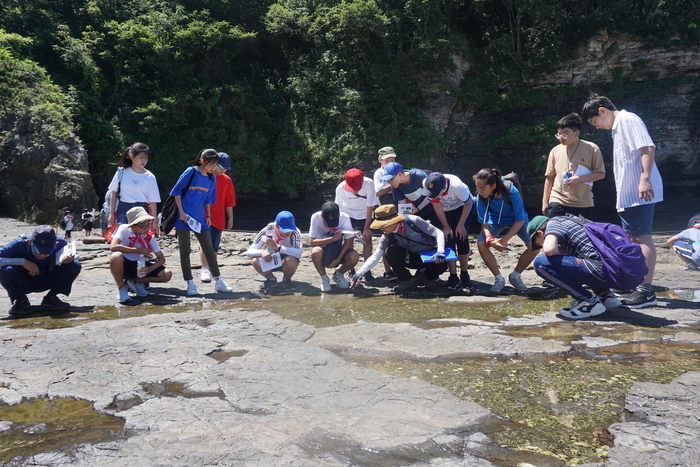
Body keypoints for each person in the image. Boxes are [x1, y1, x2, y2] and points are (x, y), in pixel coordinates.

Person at [581, 94, 664, 308]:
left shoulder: (628, 120)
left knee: (643, 238)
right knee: (631, 238)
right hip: (628, 195)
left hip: (639, 193)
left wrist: (645, 179)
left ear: (602, 110)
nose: (597, 127)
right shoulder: (617, 128)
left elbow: (648, 148)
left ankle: (646, 291)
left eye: (594, 122)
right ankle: (634, 282)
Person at [529, 215, 623, 319]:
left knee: (540, 262)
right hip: (620, 273)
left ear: (540, 233)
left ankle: (588, 302)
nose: (541, 246)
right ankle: (606, 296)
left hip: (602, 271)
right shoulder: (571, 220)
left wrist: (555, 251)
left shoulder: (553, 223)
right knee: (581, 259)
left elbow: (549, 250)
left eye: (538, 243)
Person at [171, 149, 232, 296]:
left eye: (215, 165)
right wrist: (181, 213)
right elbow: (176, 192)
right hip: (183, 218)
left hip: (200, 218)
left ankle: (217, 280)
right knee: (185, 251)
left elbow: (208, 200)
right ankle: (190, 283)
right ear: (202, 161)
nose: (213, 168)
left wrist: (208, 216)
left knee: (209, 249)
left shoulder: (212, 179)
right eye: (211, 165)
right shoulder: (191, 172)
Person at [350, 204, 447, 293]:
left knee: (442, 265)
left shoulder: (414, 221)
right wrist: (359, 273)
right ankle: (406, 281)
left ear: (393, 222)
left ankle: (428, 278)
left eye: (382, 226)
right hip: (410, 258)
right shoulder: (387, 236)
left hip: (429, 257)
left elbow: (438, 233)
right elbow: (375, 256)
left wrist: (440, 252)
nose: (381, 229)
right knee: (390, 252)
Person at [473, 168, 539, 293]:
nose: (479, 191)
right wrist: (490, 240)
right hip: (495, 220)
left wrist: (504, 240)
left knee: (534, 245)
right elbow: (484, 222)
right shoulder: (480, 197)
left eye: (482, 188)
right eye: (478, 188)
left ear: (493, 186)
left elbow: (519, 220)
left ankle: (515, 276)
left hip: (517, 220)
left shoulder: (511, 192)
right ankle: (499, 279)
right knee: (481, 244)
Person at [0, 225, 80, 315]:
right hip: (25, 282)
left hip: (47, 279)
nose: (41, 254)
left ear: (55, 244)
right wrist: (22, 262)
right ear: (29, 242)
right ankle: (21, 300)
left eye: (46, 251)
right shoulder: (19, 243)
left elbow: (76, 255)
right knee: (6, 270)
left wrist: (69, 259)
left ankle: (51, 298)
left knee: (75, 265)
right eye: (37, 250)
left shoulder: (60, 242)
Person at [542, 113, 605, 219]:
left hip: (583, 203)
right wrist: (545, 201)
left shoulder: (592, 148)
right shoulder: (555, 150)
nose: (561, 137)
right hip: (557, 200)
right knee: (554, 233)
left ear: (577, 133)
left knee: (580, 235)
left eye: (565, 133)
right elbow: (549, 177)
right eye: (559, 134)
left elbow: (600, 174)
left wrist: (578, 179)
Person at [421, 172, 475, 292]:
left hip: (463, 207)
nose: (433, 195)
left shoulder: (457, 187)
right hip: (446, 211)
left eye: (436, 193)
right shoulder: (428, 184)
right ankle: (453, 275)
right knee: (448, 239)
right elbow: (437, 206)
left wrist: (461, 225)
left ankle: (464, 274)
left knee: (461, 237)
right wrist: (445, 227)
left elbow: (469, 203)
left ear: (444, 188)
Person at [109, 207, 173, 303]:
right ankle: (122, 288)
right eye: (143, 226)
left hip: (141, 265)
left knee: (167, 274)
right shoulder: (124, 229)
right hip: (125, 264)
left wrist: (149, 269)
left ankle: (136, 281)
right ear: (132, 226)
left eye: (148, 225)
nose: (147, 228)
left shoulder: (149, 236)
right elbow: (113, 246)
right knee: (115, 256)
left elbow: (161, 259)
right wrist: (138, 250)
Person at [334, 168, 378, 283]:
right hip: (348, 214)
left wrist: (366, 228)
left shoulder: (369, 184)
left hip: (365, 213)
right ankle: (351, 267)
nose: (354, 191)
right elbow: (339, 210)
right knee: (349, 240)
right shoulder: (340, 188)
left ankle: (366, 270)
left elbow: (370, 207)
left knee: (367, 239)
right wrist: (346, 227)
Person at [107, 142, 161, 236]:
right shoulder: (122, 172)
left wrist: (154, 221)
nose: (144, 161)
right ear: (132, 157)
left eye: (146, 158)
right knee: (123, 236)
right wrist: (111, 213)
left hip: (142, 209)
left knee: (141, 236)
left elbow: (153, 201)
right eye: (141, 157)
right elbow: (113, 193)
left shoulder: (150, 176)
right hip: (124, 207)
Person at [199, 152, 236, 283]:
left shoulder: (227, 180)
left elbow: (229, 201)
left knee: (215, 245)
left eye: (225, 168)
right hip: (204, 215)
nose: (222, 170)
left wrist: (230, 218)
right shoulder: (204, 177)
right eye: (220, 166)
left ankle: (212, 269)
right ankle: (204, 268)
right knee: (205, 243)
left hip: (219, 218)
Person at [309, 201, 359, 292]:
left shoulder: (345, 217)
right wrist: (333, 239)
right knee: (315, 252)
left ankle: (338, 275)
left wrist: (338, 259)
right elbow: (312, 242)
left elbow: (348, 241)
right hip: (323, 248)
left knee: (354, 256)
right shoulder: (315, 217)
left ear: (339, 215)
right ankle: (324, 277)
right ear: (322, 216)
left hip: (339, 248)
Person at [246, 211, 303, 292]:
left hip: (285, 258)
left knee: (291, 260)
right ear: (277, 226)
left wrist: (278, 247)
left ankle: (286, 280)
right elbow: (249, 251)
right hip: (269, 258)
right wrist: (262, 252)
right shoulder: (267, 230)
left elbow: (298, 253)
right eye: (284, 230)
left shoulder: (296, 232)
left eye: (290, 229)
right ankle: (271, 279)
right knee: (255, 260)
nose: (288, 233)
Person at [372, 146, 399, 281]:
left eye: (392, 159)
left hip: (398, 207)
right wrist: (394, 183)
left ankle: (398, 268)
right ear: (380, 160)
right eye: (387, 160)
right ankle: (388, 270)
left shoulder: (397, 170)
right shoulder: (378, 173)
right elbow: (379, 192)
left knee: (399, 239)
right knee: (387, 239)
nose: (390, 162)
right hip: (385, 208)